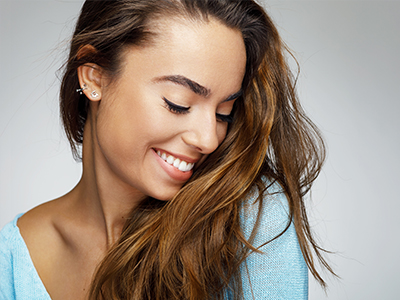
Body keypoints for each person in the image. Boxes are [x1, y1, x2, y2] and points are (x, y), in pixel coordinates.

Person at [0, 0, 334, 299]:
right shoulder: (15, 257)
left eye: (223, 113)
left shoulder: (252, 219)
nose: (208, 140)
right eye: (178, 104)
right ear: (94, 77)